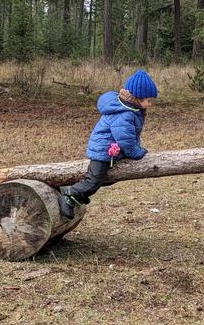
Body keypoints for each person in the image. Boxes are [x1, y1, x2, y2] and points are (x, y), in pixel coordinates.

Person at [58, 69, 158, 219]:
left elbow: (130, 135)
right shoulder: (125, 113)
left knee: (109, 179)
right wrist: (136, 152)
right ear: (137, 98)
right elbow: (125, 138)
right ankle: (70, 194)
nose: (150, 104)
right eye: (148, 101)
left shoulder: (131, 108)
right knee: (94, 180)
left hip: (112, 150)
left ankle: (78, 193)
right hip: (102, 150)